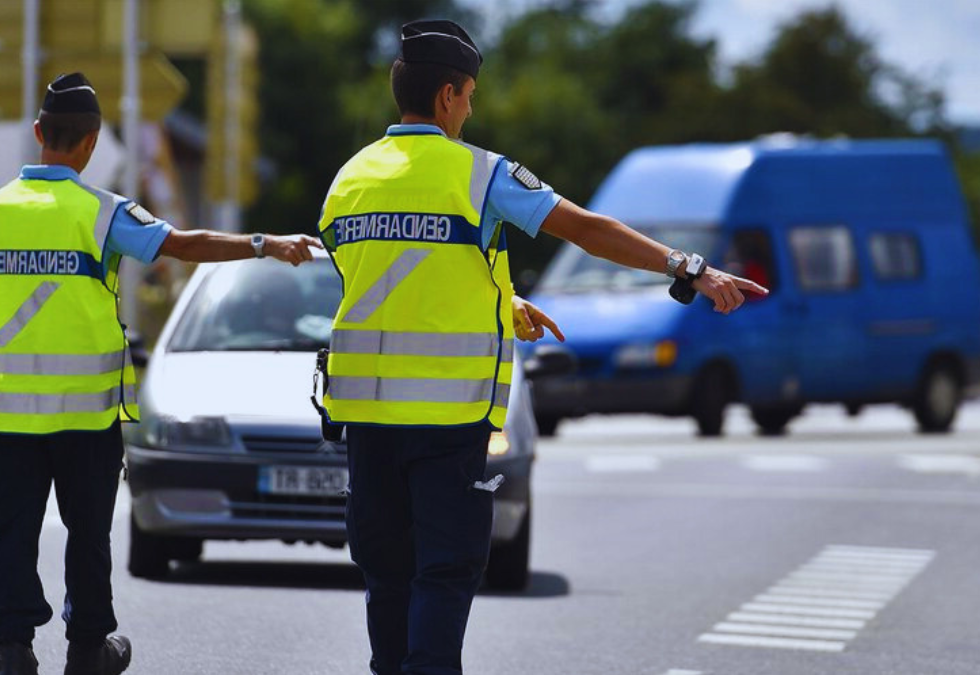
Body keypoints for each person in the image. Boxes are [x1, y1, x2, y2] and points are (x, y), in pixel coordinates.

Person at [316, 20, 767, 675]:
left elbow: (395, 279)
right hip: (448, 419)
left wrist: (504, 303)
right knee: (444, 571)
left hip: (365, 416)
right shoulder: (480, 174)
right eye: (469, 95)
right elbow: (585, 229)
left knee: (387, 572)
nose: (471, 109)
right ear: (447, 96)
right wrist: (691, 267)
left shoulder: (348, 180)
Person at [0, 72, 320, 675]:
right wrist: (264, 243)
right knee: (87, 535)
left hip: (7, 415)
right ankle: (87, 650)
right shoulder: (99, 214)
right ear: (93, 141)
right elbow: (181, 244)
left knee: (10, 532)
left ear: (38, 133)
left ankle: (14, 650)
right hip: (84, 415)